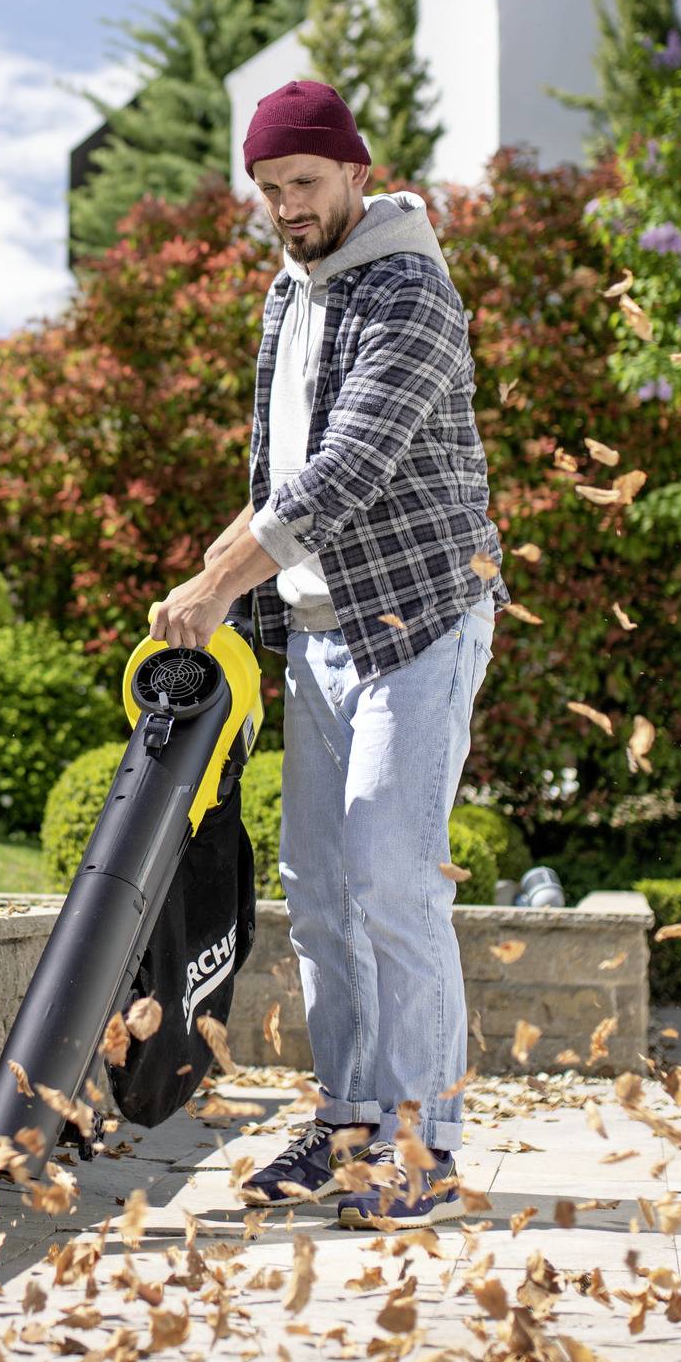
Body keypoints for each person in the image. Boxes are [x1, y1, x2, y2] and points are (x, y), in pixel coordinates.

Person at [147, 77, 505, 1228]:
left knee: (393, 874)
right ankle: (348, 1121)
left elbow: (346, 469)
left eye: (302, 182)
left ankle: (426, 1144)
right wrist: (244, 588)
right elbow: (275, 468)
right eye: (267, 189)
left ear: (355, 169)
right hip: (317, 630)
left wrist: (215, 576)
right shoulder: (284, 296)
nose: (287, 206)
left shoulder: (409, 289)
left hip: (419, 616)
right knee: (320, 885)